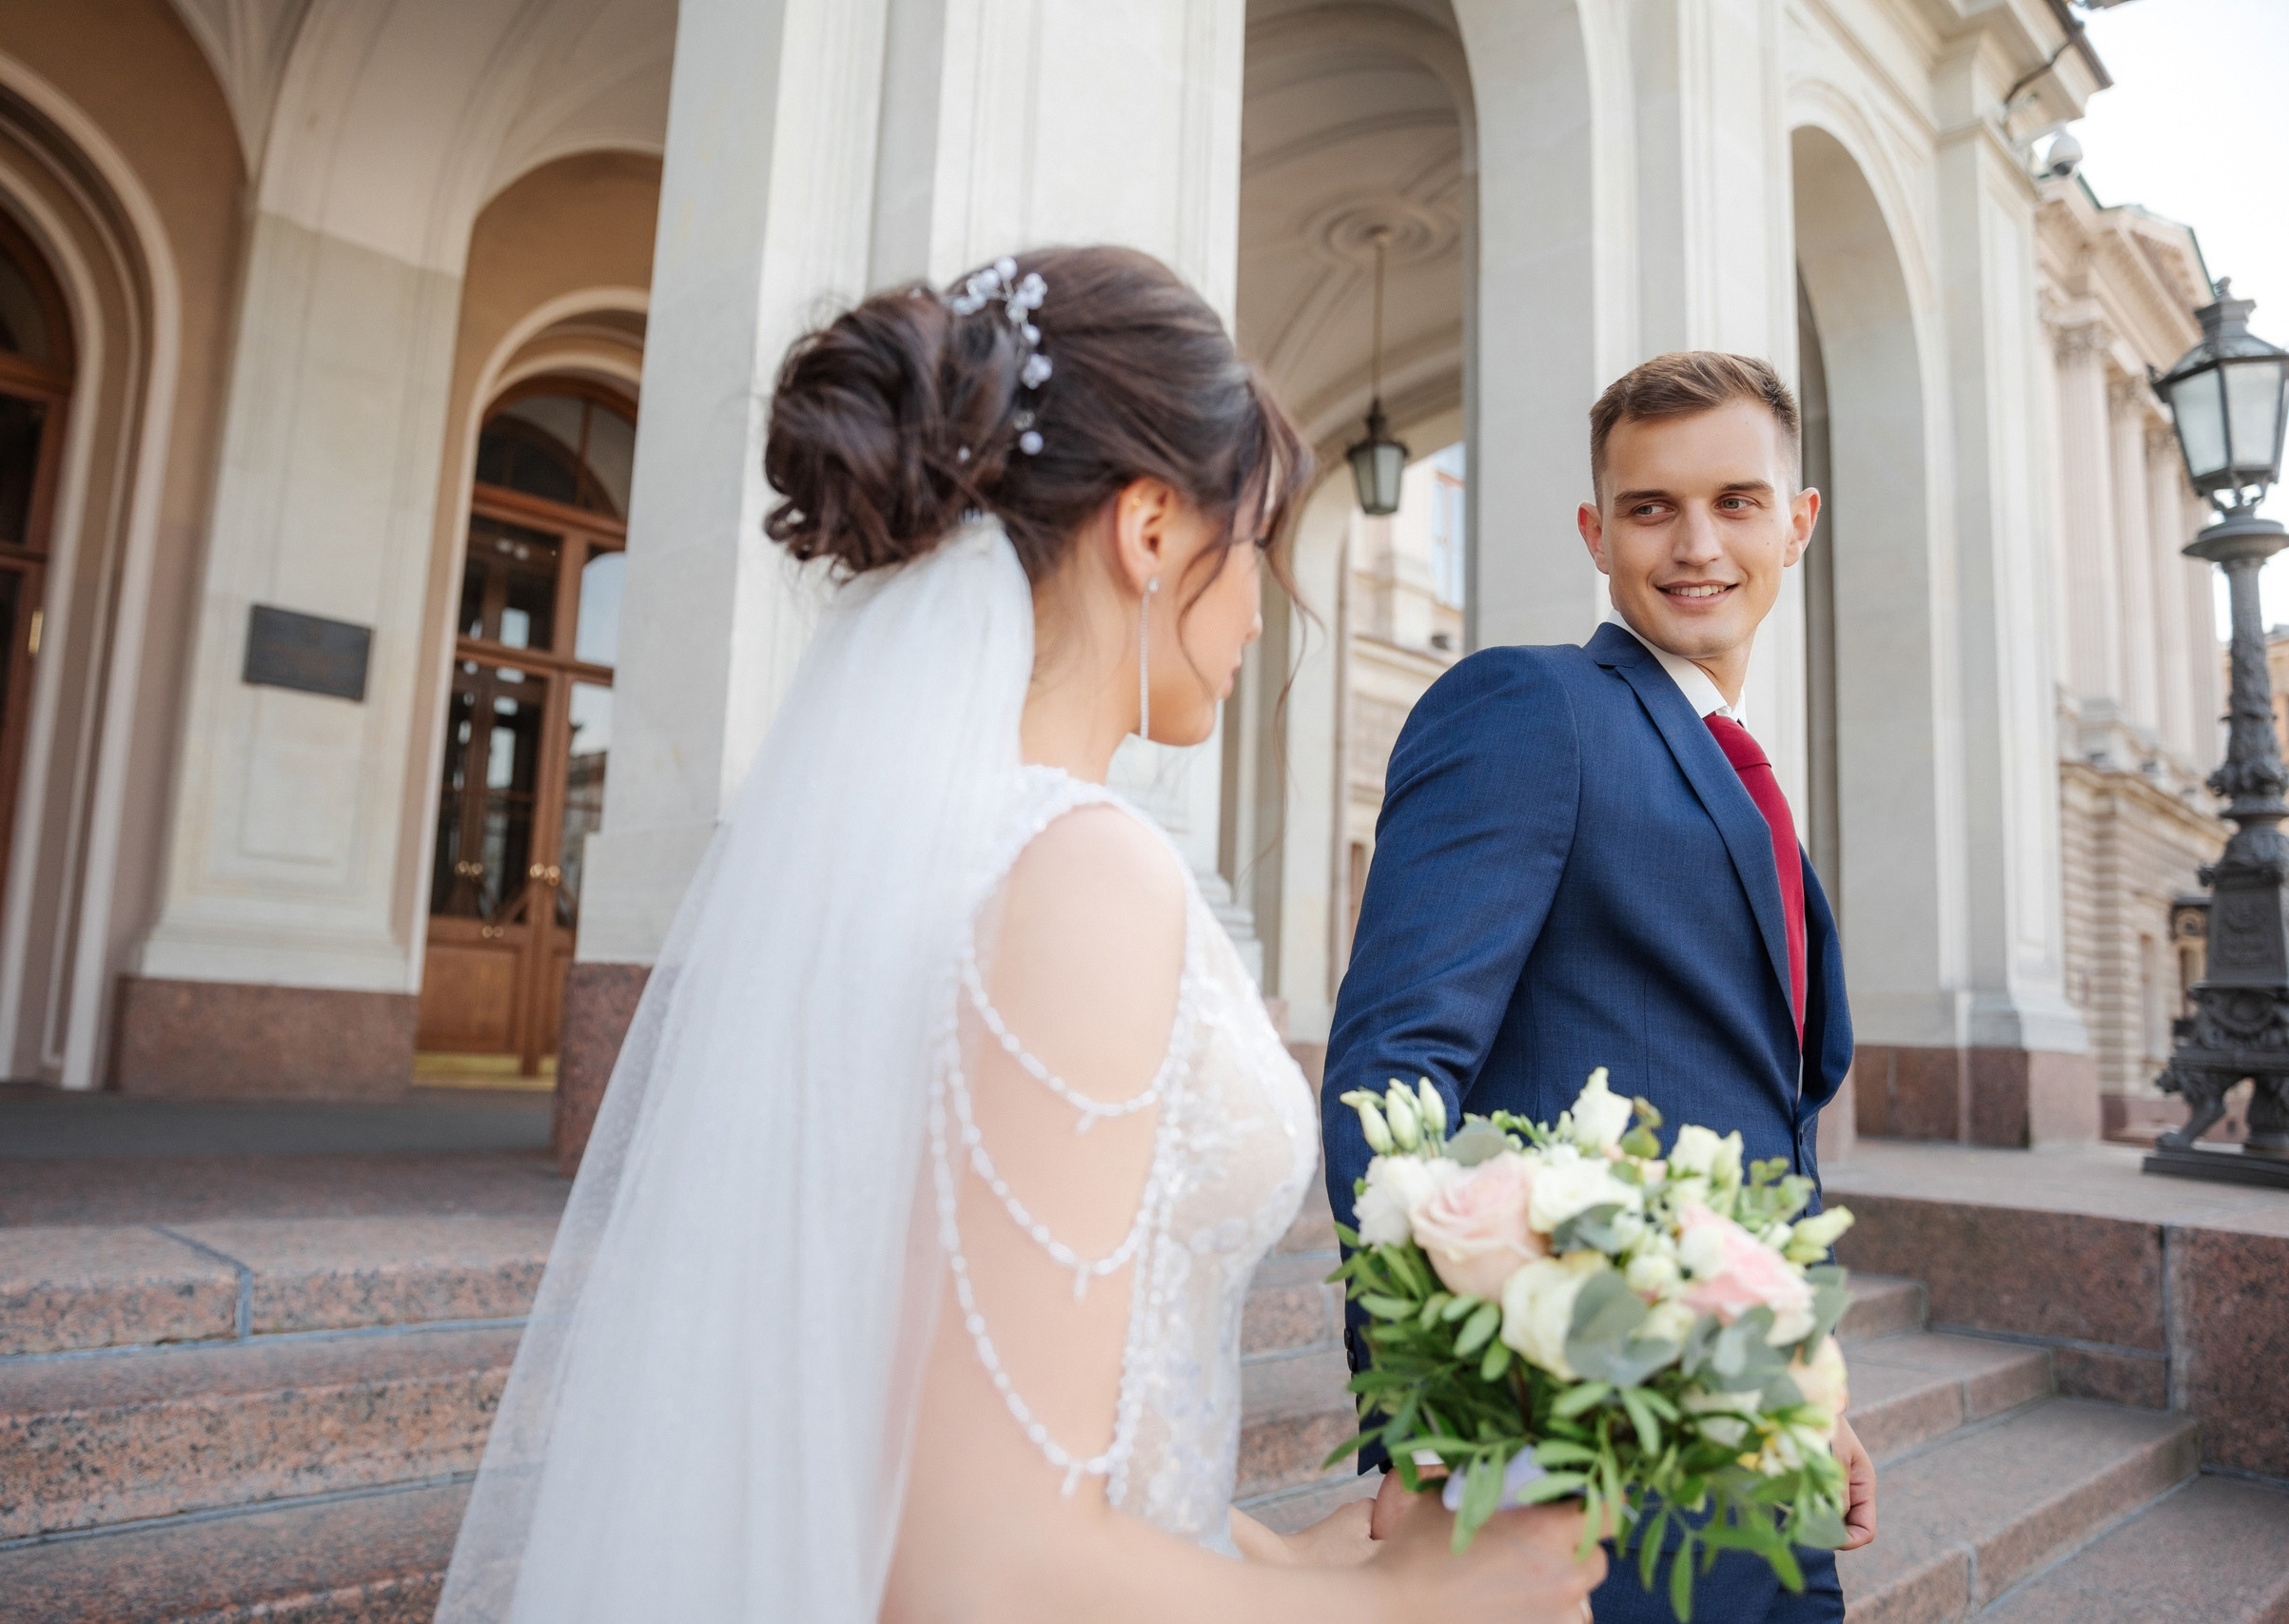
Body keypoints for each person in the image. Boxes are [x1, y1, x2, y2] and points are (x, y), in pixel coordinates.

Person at [434, 245, 1604, 1624]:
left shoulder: (938, 849)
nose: (1262, 609)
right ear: (1152, 528)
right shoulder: (1079, 873)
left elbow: (962, 1401)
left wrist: (1297, 1562)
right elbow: (976, 1571)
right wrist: (1414, 1607)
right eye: (1257, 545)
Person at [1321, 352, 1880, 1624]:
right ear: (1595, 533)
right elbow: (1392, 1075)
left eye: (1737, 501)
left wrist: (1801, 1381)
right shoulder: (1531, 708)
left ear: (1798, 522)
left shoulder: (1740, 772)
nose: (1697, 544)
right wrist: (1429, 1424)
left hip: (1752, 1429)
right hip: (1571, 1453)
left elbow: (1753, 1122)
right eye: (1650, 508)